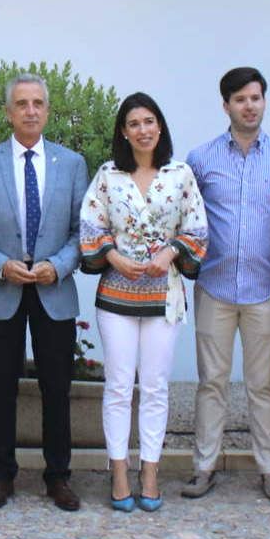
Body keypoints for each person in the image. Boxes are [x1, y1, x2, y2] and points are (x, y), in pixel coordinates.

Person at [0, 73, 90, 512]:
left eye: (38, 103)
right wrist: (1, 265)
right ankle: (1, 476)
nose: (30, 110)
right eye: (21, 103)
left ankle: (58, 476)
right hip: (3, 291)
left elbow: (81, 232)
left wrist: (59, 265)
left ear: (48, 110)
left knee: (58, 388)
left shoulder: (71, 164)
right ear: (8, 111)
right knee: (1, 387)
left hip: (54, 291)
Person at [183, 66, 270, 502]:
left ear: (264, 101)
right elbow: (187, 219)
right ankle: (204, 466)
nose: (248, 106)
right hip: (214, 286)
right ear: (225, 105)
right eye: (240, 99)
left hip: (265, 289)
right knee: (211, 381)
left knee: (262, 385)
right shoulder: (200, 159)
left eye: (255, 97)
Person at [80, 93, 207, 513]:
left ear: (160, 126)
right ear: (123, 131)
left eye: (149, 121)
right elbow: (90, 225)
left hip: (163, 296)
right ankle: (118, 471)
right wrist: (114, 256)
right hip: (116, 294)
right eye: (134, 123)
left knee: (154, 387)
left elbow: (197, 228)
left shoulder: (180, 174)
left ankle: (150, 471)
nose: (143, 129)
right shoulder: (107, 175)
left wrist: (169, 253)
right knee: (118, 386)